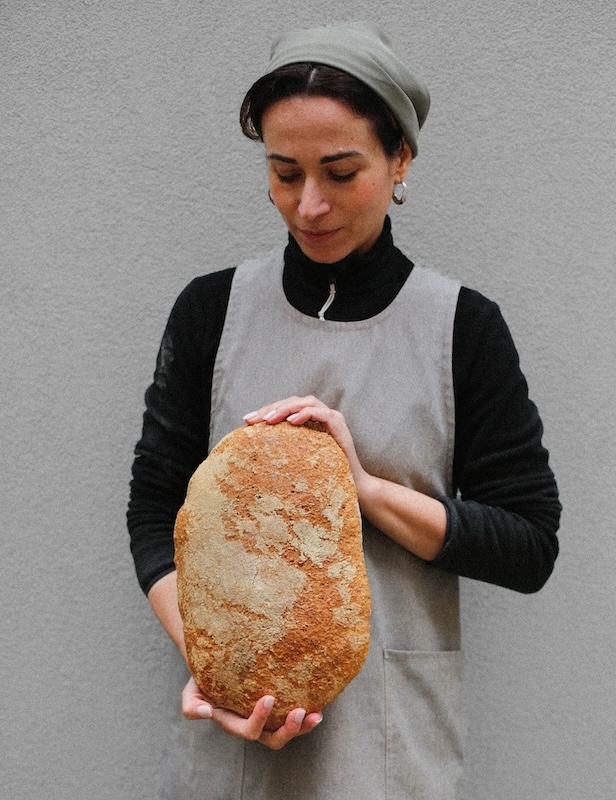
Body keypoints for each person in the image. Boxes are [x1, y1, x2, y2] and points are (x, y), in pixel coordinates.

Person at [128, 21, 561, 799]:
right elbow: (155, 506)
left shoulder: (461, 327)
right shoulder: (211, 311)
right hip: (231, 742)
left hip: (389, 754)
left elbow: (529, 544)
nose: (310, 204)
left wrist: (360, 488)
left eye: (340, 170)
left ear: (399, 159)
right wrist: (209, 655)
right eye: (284, 172)